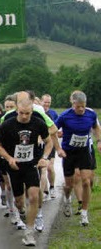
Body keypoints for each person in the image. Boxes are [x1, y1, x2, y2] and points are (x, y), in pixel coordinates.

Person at [0, 98, 52, 246]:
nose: (25, 116)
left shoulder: (38, 123)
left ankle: (29, 232)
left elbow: (49, 141)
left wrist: (44, 157)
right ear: (16, 111)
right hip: (15, 167)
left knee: (33, 195)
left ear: (32, 111)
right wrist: (9, 158)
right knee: (20, 202)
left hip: (31, 165)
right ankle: (21, 213)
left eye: (27, 113)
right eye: (21, 113)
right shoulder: (8, 124)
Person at [55, 91, 100, 227]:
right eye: (78, 106)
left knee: (86, 181)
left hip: (83, 151)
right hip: (69, 153)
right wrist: (58, 148)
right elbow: (51, 131)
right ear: (72, 104)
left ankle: (84, 213)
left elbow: (96, 127)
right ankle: (67, 199)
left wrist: (99, 140)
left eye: (83, 106)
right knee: (69, 184)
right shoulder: (65, 116)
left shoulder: (91, 114)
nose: (81, 109)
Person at [41, 94, 59, 199]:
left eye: (49, 102)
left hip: (50, 143)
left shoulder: (53, 113)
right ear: (41, 102)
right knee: (43, 168)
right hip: (39, 145)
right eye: (45, 102)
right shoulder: (38, 113)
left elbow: (56, 128)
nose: (47, 104)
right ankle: (45, 190)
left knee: (50, 167)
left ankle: (52, 187)